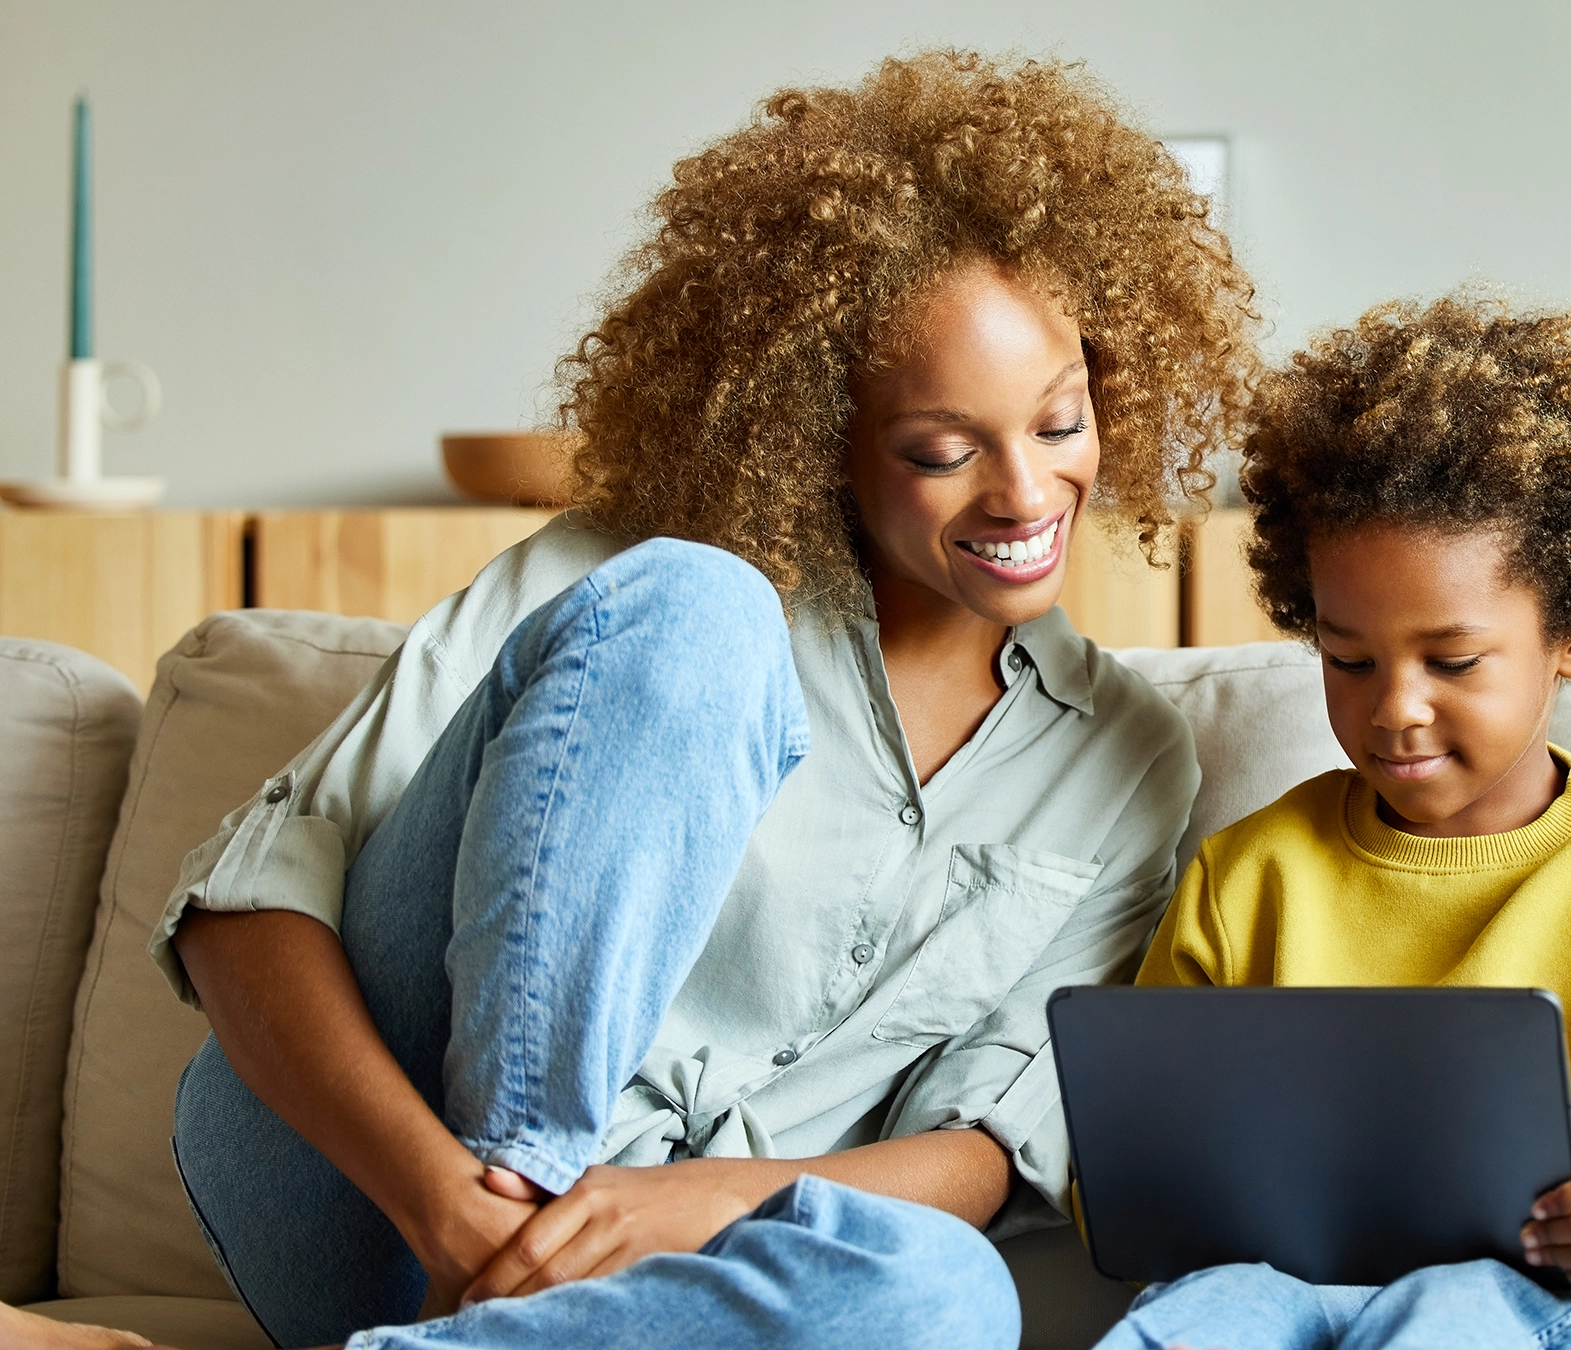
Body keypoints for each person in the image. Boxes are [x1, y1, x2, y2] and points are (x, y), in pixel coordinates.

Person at [2, 51, 1259, 1350]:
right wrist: (468, 1214)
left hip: (676, 1270)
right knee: (702, 607)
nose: (1026, 494)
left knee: (947, 1293)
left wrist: (694, 1202)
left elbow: (986, 1150)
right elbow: (247, 911)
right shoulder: (637, 582)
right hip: (373, 1196)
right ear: (821, 432)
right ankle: (496, 1270)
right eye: (942, 450)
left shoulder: (1126, 762)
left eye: (1058, 425)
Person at [1099, 294, 1571, 1350]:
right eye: (1348, 659)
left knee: (1452, 1315)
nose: (1394, 708)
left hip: (1550, 1293)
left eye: (1452, 661)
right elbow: (1151, 1139)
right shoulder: (1250, 872)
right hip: (1294, 1276)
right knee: (1201, 1318)